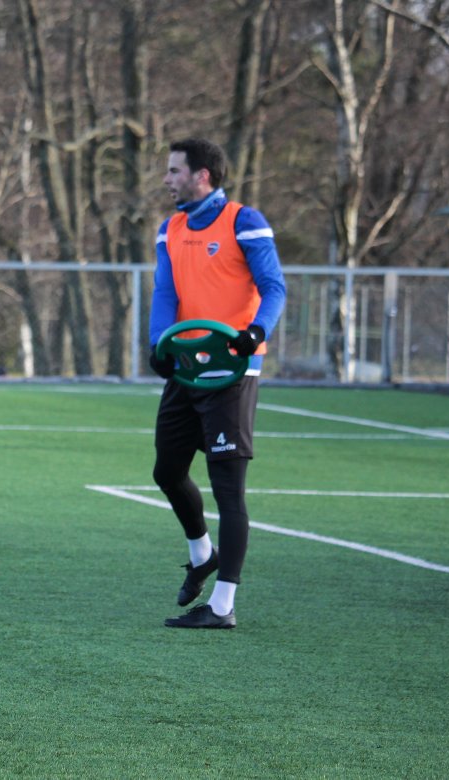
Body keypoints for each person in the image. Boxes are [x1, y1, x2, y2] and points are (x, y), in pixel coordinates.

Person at [148, 138, 286, 629]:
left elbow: (274, 287)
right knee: (167, 472)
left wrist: (256, 332)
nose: (167, 178)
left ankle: (223, 606)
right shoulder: (170, 228)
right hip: (187, 368)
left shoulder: (245, 221)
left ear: (202, 175)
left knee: (228, 489)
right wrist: (158, 343)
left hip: (232, 373)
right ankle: (202, 554)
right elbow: (165, 292)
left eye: (174, 170)